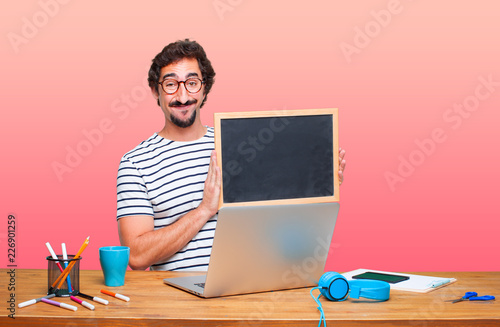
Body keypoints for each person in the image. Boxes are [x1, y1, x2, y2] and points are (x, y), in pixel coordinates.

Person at [117, 39, 346, 271]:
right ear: (155, 90)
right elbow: (136, 257)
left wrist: (319, 184)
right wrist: (205, 209)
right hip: (179, 300)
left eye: (192, 83)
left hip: (251, 287)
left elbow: (283, 226)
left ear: (204, 88)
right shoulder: (135, 164)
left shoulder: (241, 145)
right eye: (170, 84)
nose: (183, 96)